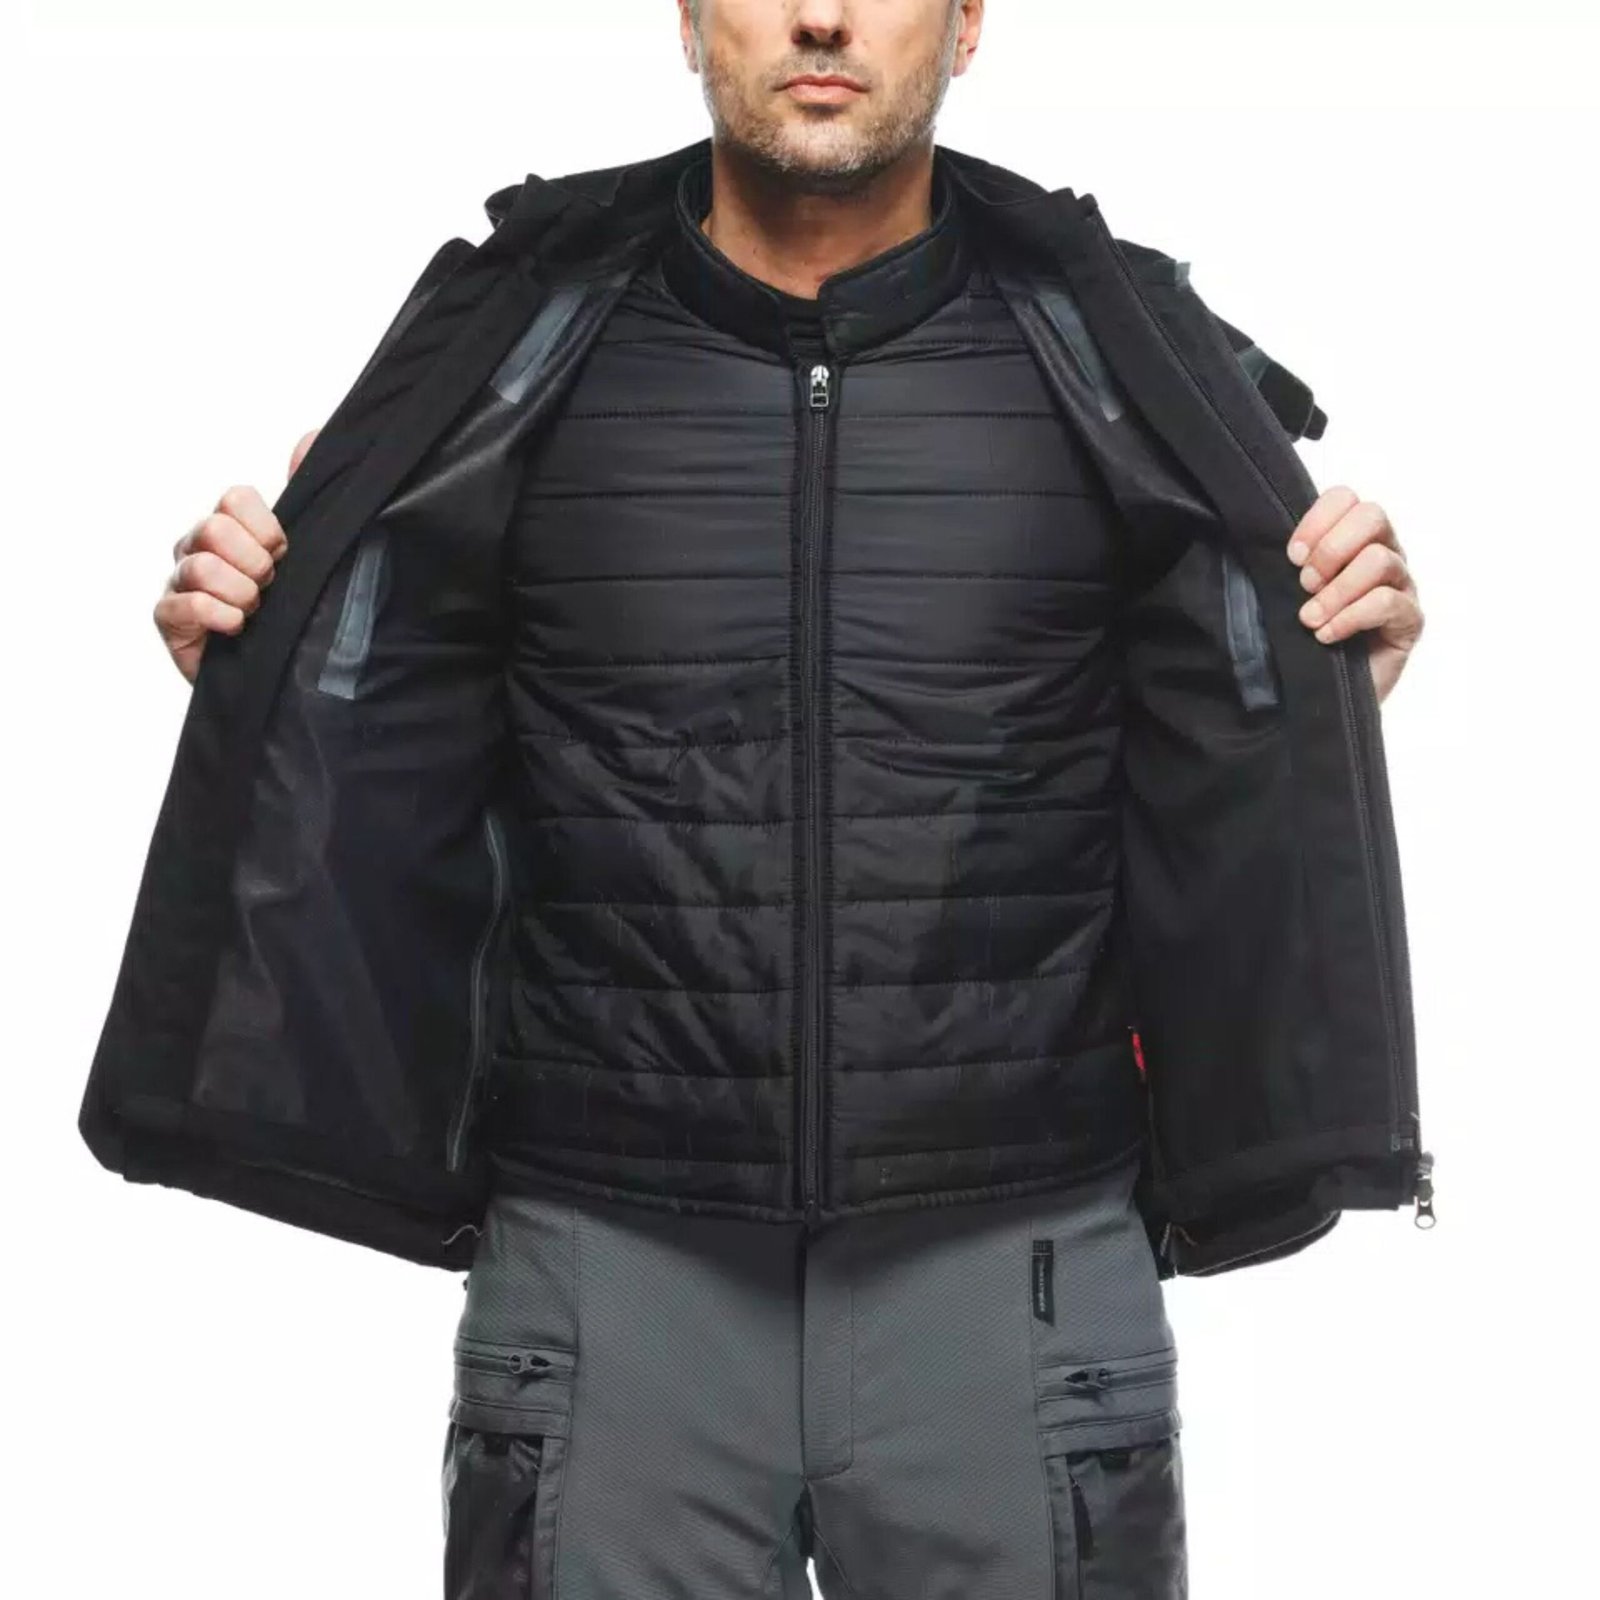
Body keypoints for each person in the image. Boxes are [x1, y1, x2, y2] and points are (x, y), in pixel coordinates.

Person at [138, 3, 1426, 1594]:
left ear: (967, 21)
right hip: (611, 1269)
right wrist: (275, 672)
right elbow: (403, 715)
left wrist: (1316, 697)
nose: (822, 13)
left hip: (1014, 1271)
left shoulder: (1118, 350)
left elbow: (1198, 733)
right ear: (689, 16)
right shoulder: (516, 342)